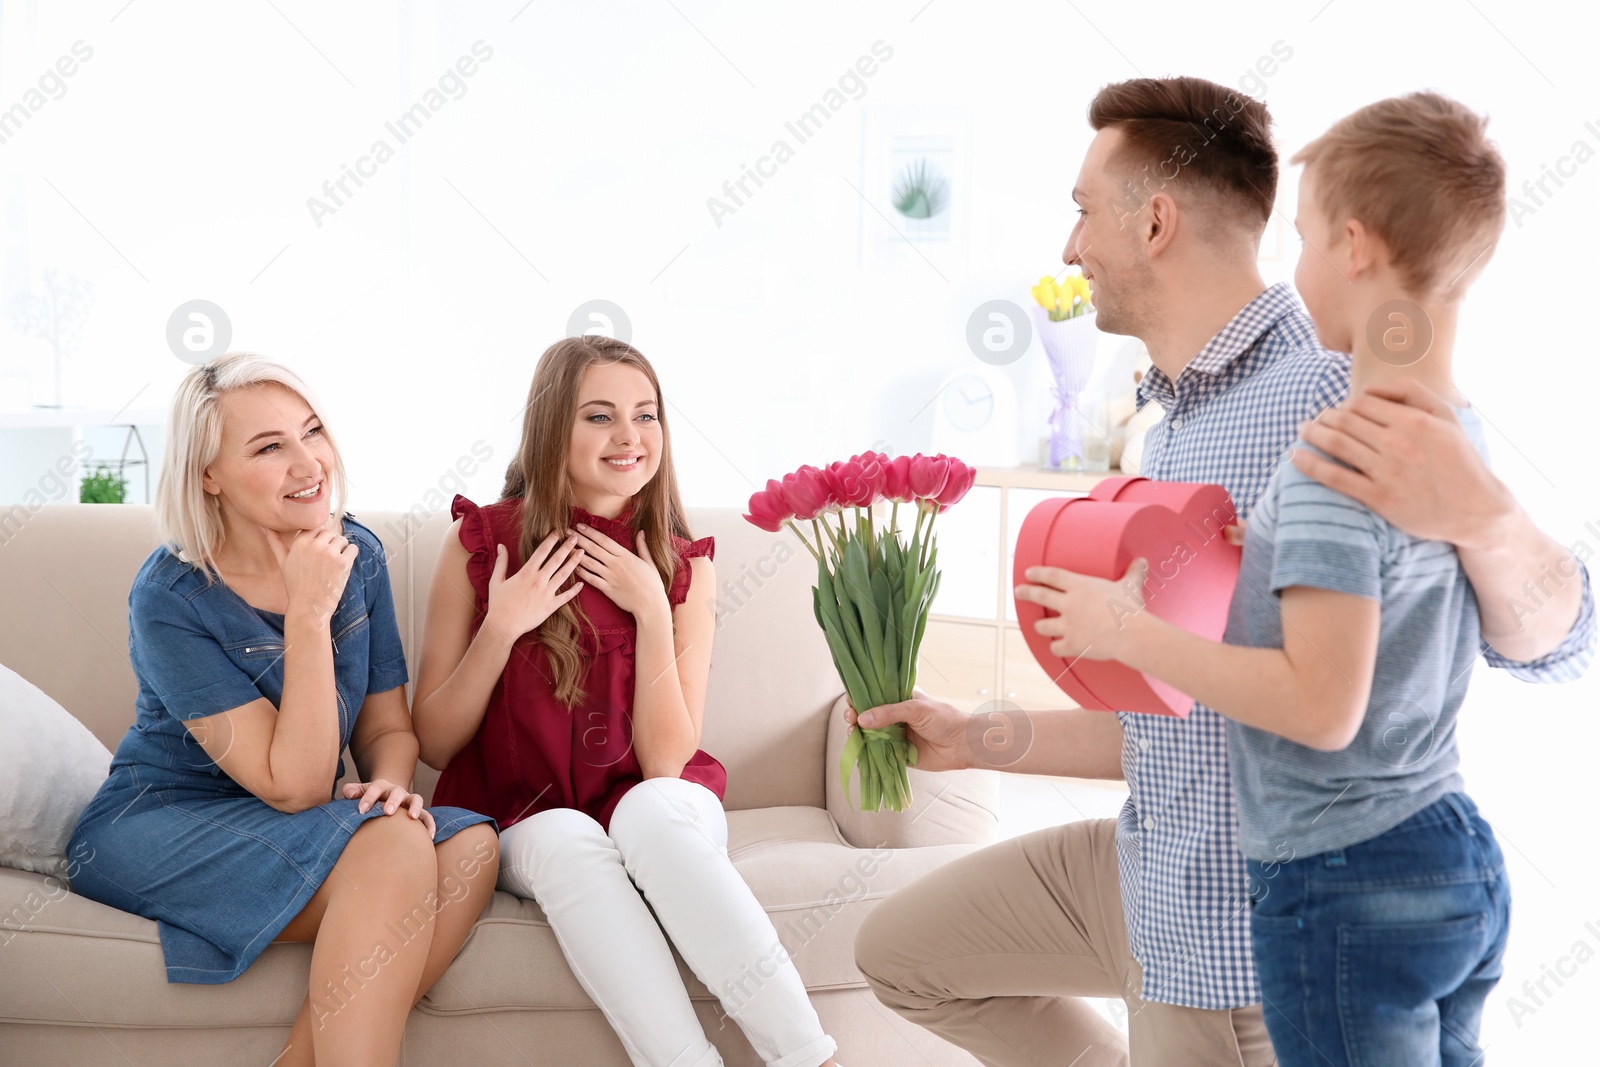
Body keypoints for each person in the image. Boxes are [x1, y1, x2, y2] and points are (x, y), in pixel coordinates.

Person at [850, 77, 1595, 1067]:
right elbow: (1183, 709)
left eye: (1081, 211)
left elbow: (1559, 642)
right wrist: (983, 732)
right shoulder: (1177, 423)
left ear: (1154, 221)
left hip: (1248, 936)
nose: (1068, 247)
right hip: (1146, 868)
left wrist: (1487, 514)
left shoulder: (1337, 397)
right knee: (901, 953)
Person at [412, 334, 844, 1067]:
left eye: (646, 415)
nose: (629, 437)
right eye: (600, 416)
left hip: (660, 805)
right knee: (564, 837)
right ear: (553, 428)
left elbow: (668, 759)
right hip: (520, 815)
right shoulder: (484, 544)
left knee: (644, 811)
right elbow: (436, 741)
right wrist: (504, 624)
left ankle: (811, 1058)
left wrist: (651, 609)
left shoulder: (682, 565)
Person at [66, 353, 500, 1067]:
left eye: (313, 431)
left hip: (291, 818)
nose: (310, 463)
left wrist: (392, 780)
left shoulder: (357, 553)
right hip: (163, 816)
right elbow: (295, 785)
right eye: (270, 447)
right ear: (209, 474)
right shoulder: (170, 594)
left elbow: (388, 728)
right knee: (395, 844)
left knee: (468, 846)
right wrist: (307, 615)